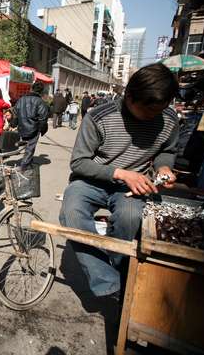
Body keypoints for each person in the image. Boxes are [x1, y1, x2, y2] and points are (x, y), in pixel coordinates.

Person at [59, 63, 179, 298]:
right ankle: (110, 282)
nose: (152, 117)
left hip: (133, 187)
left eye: (159, 110)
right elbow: (79, 163)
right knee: (70, 213)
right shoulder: (99, 117)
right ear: (130, 97)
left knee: (131, 217)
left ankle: (116, 266)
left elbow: (168, 150)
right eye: (147, 111)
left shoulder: (169, 119)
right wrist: (122, 173)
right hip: (91, 180)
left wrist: (164, 166)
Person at [14, 82, 50, 169]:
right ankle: (23, 167)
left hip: (22, 127)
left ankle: (27, 162)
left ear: (32, 89)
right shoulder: (41, 102)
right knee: (30, 148)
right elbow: (43, 118)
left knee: (27, 147)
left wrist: (15, 123)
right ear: (41, 92)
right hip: (33, 128)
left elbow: (15, 112)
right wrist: (42, 129)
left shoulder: (21, 99)